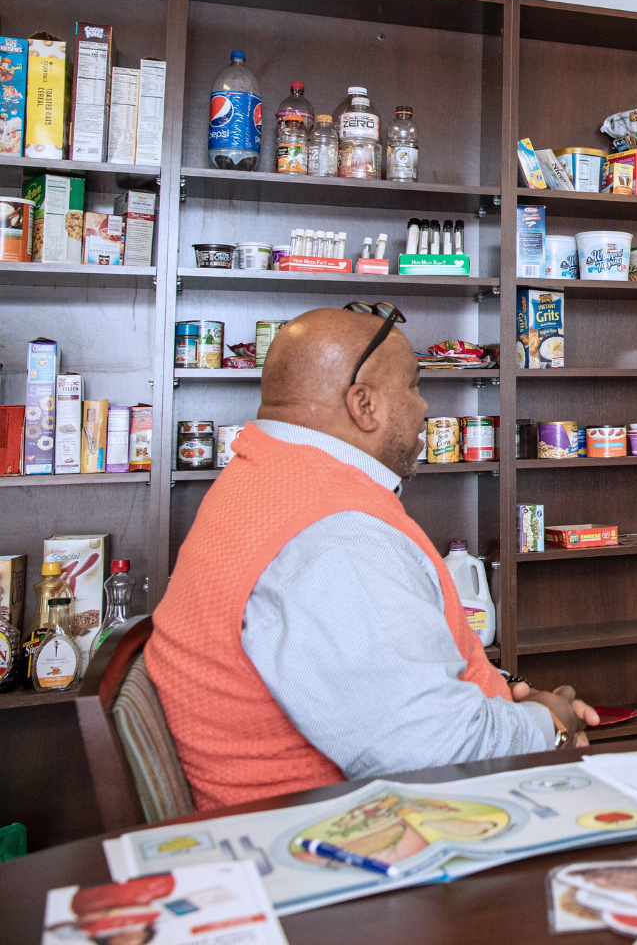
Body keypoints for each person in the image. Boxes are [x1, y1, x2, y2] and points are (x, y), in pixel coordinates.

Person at [147, 304, 597, 810]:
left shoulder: (266, 476)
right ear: (364, 404)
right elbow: (434, 753)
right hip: (341, 843)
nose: (424, 406)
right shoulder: (334, 538)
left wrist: (508, 697)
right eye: (413, 386)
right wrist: (552, 726)